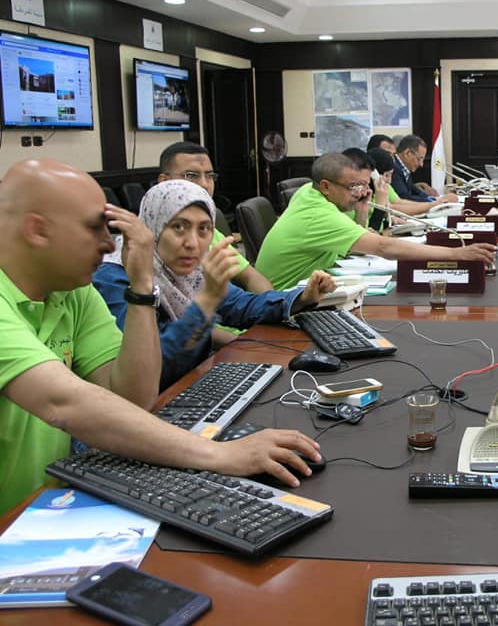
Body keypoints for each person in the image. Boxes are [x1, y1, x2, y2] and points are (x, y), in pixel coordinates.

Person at [0, 159, 322, 514]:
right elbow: (65, 403)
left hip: (55, 500)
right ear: (37, 230)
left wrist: (142, 287)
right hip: (14, 523)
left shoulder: (73, 290)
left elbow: (134, 397)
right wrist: (219, 454)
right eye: (94, 228)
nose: (108, 244)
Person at [93, 181, 337, 390]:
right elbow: (156, 368)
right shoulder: (115, 277)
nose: (192, 243)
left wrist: (301, 298)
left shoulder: (190, 267)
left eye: (204, 229)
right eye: (178, 227)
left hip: (192, 381)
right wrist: (206, 302)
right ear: (152, 226)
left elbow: (240, 305)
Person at [256, 152, 496, 289]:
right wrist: (456, 254)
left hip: (305, 289)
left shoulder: (309, 191)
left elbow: (356, 245)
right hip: (282, 303)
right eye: (353, 187)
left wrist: (361, 213)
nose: (360, 193)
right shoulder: (317, 214)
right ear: (326, 186)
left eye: (362, 185)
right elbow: (383, 246)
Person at [157, 141, 273, 293]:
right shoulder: (146, 236)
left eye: (210, 176)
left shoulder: (208, 229)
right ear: (164, 181)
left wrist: (272, 303)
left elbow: (252, 278)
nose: (205, 184)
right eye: (191, 175)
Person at [392, 135, 457, 204]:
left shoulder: (403, 167)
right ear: (407, 153)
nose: (421, 164)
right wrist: (437, 201)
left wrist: (433, 198)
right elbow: (404, 198)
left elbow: (413, 190)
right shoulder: (394, 168)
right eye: (419, 159)